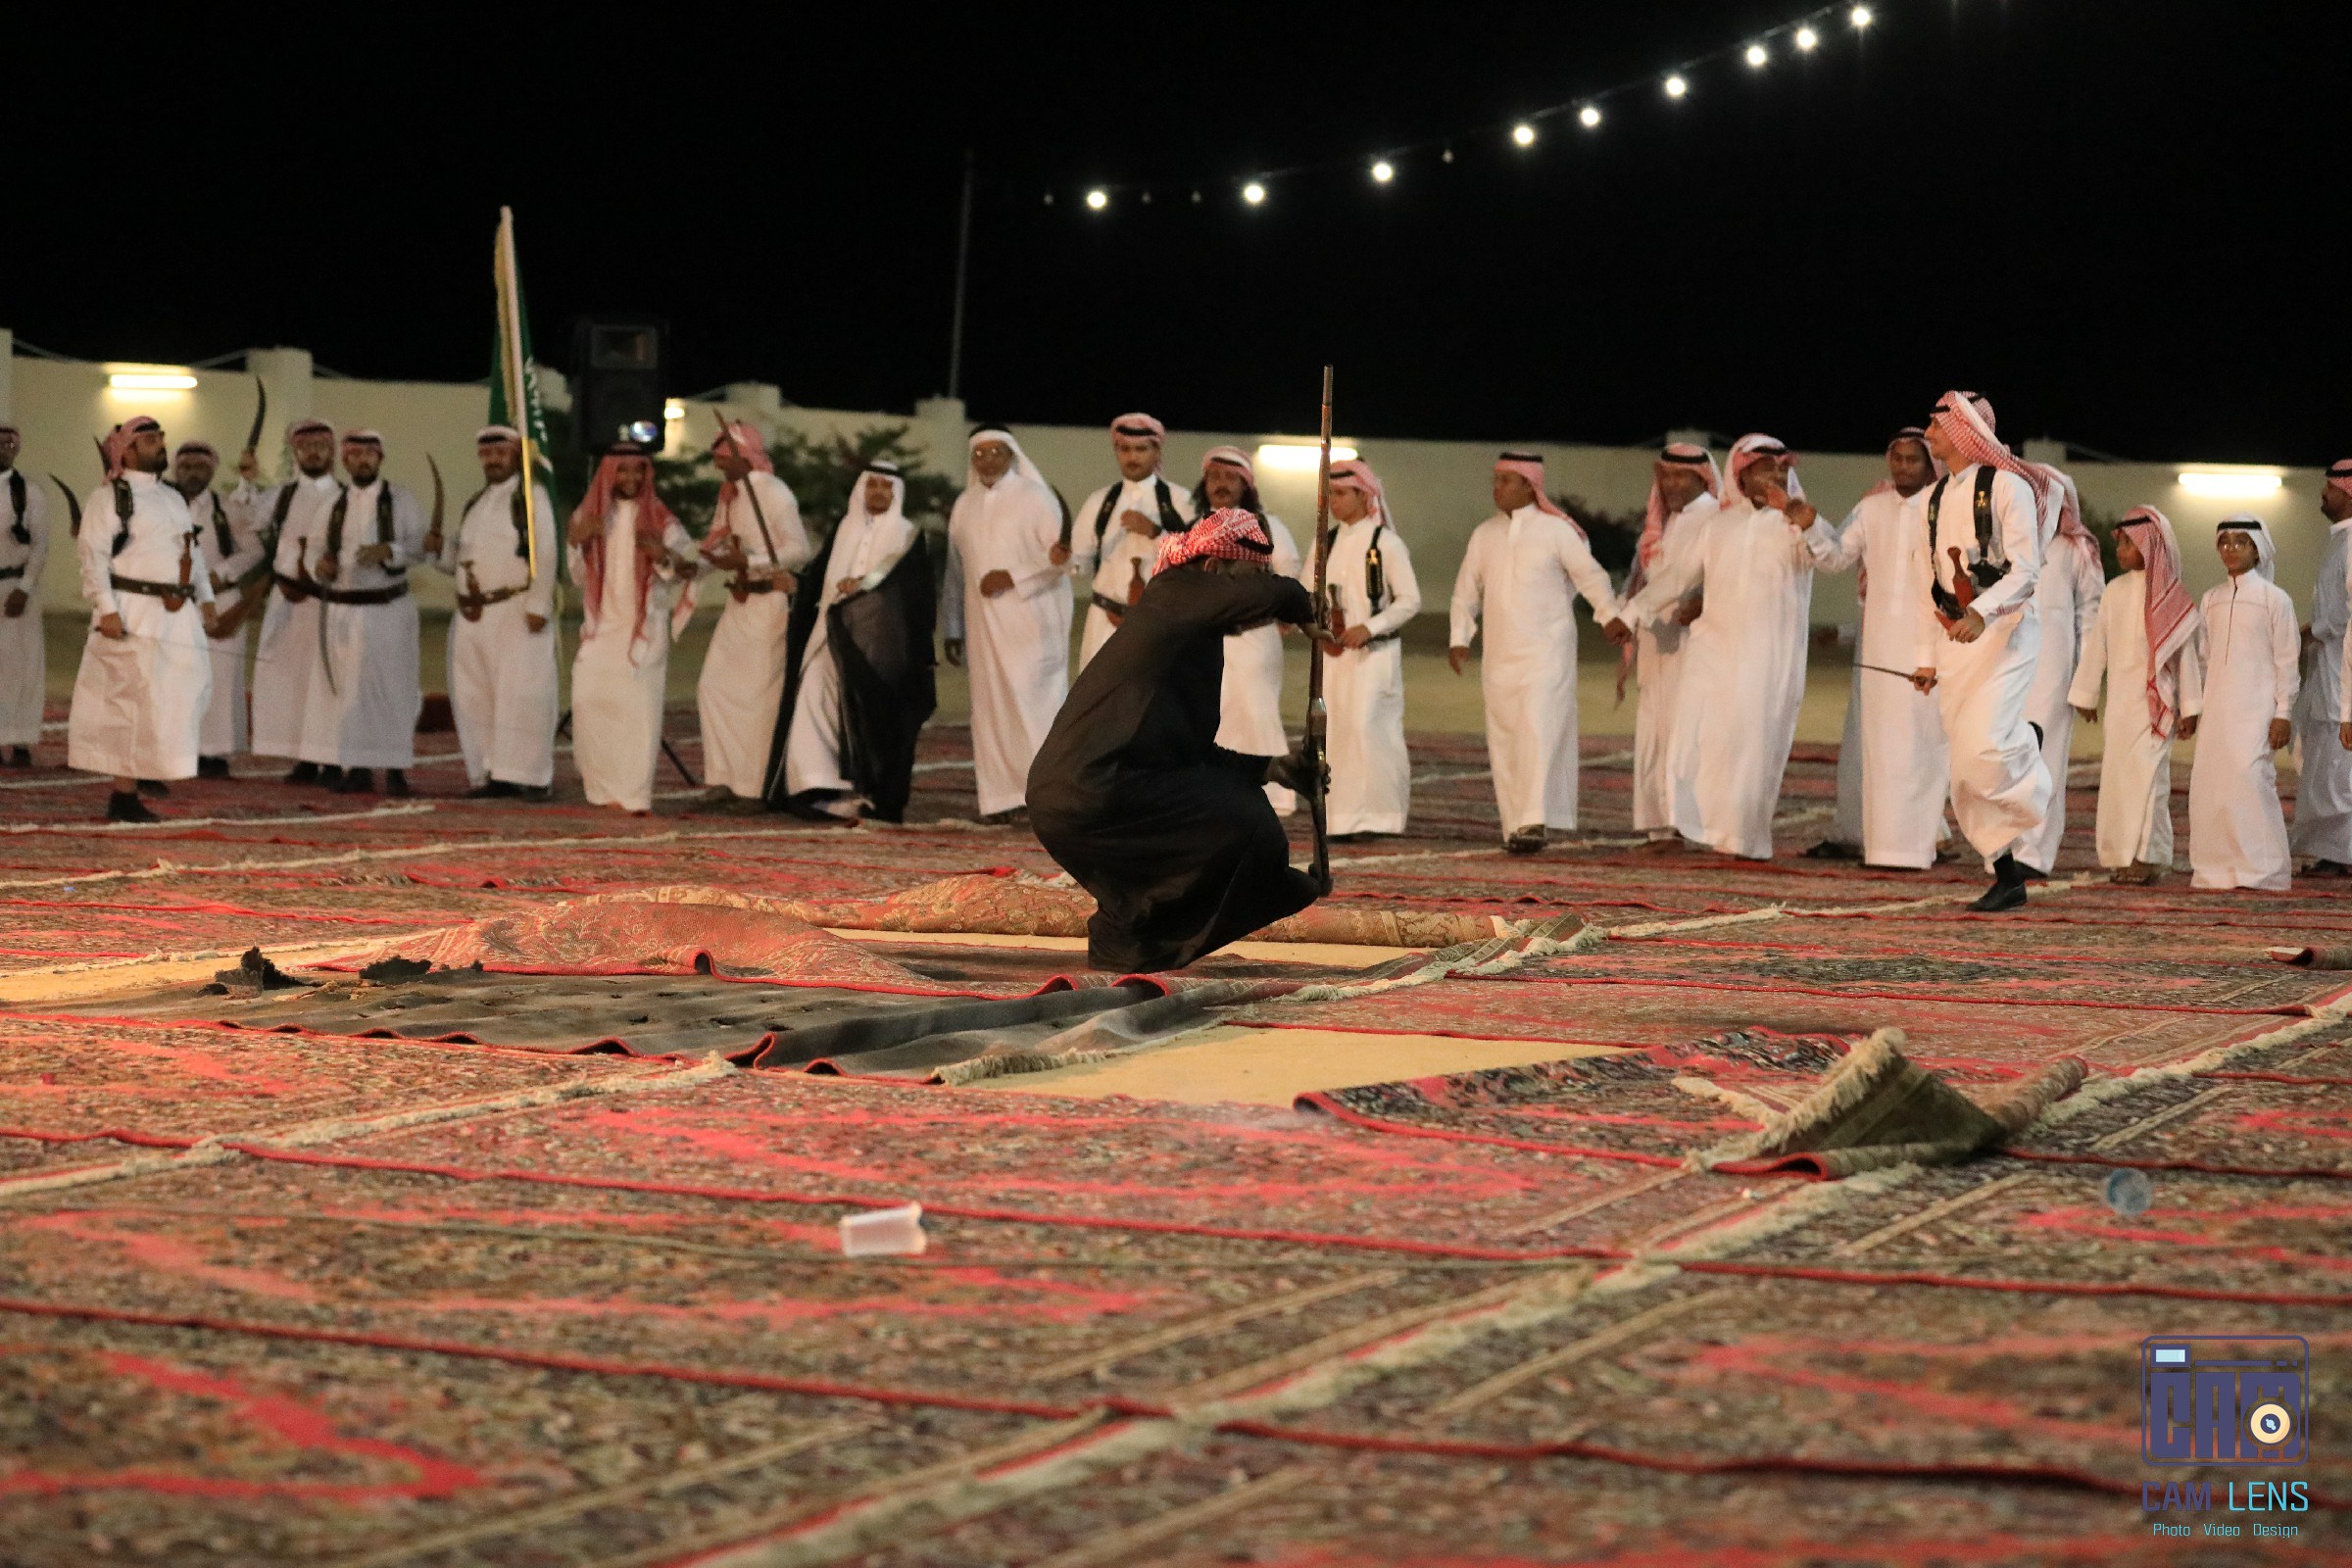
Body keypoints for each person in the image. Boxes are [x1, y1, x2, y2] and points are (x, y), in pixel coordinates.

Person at [1029, 507, 1323, 972]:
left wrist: (1273, 769)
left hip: (1078, 797)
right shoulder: (1174, 592)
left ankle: (1123, 942)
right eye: (1247, 578)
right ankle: (1144, 936)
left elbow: (1187, 755)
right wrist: (1302, 604)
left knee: (1210, 815)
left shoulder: (1187, 630)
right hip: (1096, 792)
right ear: (1213, 569)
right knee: (1246, 819)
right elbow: (1273, 593)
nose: (1250, 606)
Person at [1629, 434, 1827, 860]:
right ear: (1741, 476)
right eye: (1765, 469)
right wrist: (1630, 613)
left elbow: (1831, 558)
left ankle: (1746, 840)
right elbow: (1676, 578)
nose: (1776, 477)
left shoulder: (1796, 524)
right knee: (1699, 739)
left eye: (1782, 470)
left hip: (1768, 657)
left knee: (1753, 747)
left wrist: (1808, 523)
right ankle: (1700, 824)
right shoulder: (1718, 525)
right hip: (1711, 652)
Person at [1909, 392, 2056, 912]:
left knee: (1985, 751)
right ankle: (2006, 875)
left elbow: (2026, 570)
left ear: (1964, 429)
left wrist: (1982, 613)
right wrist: (1927, 657)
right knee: (1965, 771)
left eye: (1937, 424)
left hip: (2006, 633)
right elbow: (1929, 583)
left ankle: (2028, 743)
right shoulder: (1933, 499)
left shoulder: (2007, 487)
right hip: (1956, 640)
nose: (1929, 433)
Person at [1448, 451, 1630, 853]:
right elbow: (1466, 591)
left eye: (1506, 481)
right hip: (1499, 656)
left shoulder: (1556, 531)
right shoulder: (1484, 534)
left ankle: (1534, 820)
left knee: (1538, 729)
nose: (1497, 489)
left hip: (1547, 652)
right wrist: (1460, 637)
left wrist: (1608, 615)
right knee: (1505, 736)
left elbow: (1591, 576)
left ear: (1530, 487)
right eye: (1495, 481)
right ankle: (1515, 825)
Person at [1805, 428, 1952, 869]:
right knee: (1879, 746)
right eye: (1897, 459)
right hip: (1878, 649)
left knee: (1922, 745)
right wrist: (1809, 523)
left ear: (1930, 465)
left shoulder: (1946, 509)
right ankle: (1883, 848)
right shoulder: (1871, 508)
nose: (1903, 467)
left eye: (1913, 459)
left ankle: (1919, 847)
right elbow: (1835, 558)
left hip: (1928, 647)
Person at [66, 417, 218, 821]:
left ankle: (149, 770)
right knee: (129, 703)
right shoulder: (108, 499)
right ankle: (124, 794)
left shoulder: (172, 497)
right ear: (127, 451)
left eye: (161, 438)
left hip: (176, 614)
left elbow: (192, 552)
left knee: (182, 694)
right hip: (130, 612)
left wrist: (206, 598)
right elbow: (92, 557)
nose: (160, 445)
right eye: (149, 440)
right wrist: (106, 609)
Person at [769, 458, 934, 822]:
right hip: (829, 637)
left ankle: (869, 796)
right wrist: (797, 584)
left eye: (886, 486)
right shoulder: (844, 529)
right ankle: (817, 786)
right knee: (812, 695)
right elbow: (818, 578)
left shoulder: (907, 535)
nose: (879, 492)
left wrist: (864, 586)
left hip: (877, 650)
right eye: (872, 484)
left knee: (867, 718)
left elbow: (909, 589)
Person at [942, 424, 1068, 823]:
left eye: (996, 451)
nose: (988, 460)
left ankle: (1043, 798)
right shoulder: (964, 505)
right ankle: (1001, 800)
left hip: (1030, 624)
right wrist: (952, 627)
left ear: (1012, 455)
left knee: (1033, 706)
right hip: (981, 628)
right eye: (980, 453)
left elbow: (1061, 559)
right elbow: (955, 572)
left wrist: (1012, 576)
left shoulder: (1036, 497)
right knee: (990, 710)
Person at [2070, 507, 2199, 885]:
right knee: (2119, 782)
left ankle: (2147, 858)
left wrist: (2191, 707)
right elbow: (2098, 646)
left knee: (2151, 784)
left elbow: (2185, 657)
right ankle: (2122, 857)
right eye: (2121, 543)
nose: (2121, 550)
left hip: (2157, 706)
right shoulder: (2114, 591)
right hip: (2120, 708)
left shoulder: (2171, 597)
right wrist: (2086, 695)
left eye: (2128, 543)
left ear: (2151, 545)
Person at [427, 425, 559, 800]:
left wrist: (539, 603)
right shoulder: (477, 502)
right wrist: (439, 551)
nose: (493, 460)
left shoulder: (530, 498)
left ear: (516, 455)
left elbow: (546, 551)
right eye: (486, 454)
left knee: (522, 694)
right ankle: (490, 772)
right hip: (473, 615)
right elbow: (460, 561)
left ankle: (528, 776)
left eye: (500, 453)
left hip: (515, 612)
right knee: (475, 696)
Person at [566, 442, 698, 814]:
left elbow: (687, 567)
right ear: (609, 473)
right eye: (622, 470)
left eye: (637, 470)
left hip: (645, 628)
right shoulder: (589, 515)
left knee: (637, 711)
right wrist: (577, 542)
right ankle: (601, 789)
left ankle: (634, 795)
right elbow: (577, 576)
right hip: (602, 627)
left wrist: (663, 556)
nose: (630, 477)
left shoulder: (661, 518)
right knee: (588, 700)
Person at [296, 430, 424, 796]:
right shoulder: (332, 503)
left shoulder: (401, 500)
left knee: (394, 688)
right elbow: (314, 549)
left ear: (380, 458)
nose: (363, 460)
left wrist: (390, 552)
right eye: (355, 454)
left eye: (370, 454)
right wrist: (319, 566)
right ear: (345, 460)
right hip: (344, 612)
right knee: (347, 691)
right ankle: (356, 767)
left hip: (389, 611)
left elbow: (421, 548)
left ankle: (396, 768)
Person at [693, 419, 810, 808]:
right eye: (717, 456)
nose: (718, 463)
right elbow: (717, 547)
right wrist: (691, 566)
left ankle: (754, 788)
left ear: (746, 456)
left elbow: (799, 550)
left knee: (758, 698)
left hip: (769, 605)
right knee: (714, 686)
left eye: (725, 456)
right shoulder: (730, 496)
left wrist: (751, 561)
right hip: (739, 603)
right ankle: (721, 779)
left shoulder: (773, 492)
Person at [1191, 447, 1305, 812]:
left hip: (1255, 638)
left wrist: (1284, 611)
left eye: (1230, 478)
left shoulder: (1268, 526)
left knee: (1255, 711)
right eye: (1214, 477)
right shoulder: (1193, 526)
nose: (1221, 485)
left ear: (1246, 486)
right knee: (1211, 714)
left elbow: (1290, 573)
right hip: (1207, 640)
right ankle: (1219, 789)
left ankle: (1274, 796)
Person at [2188, 515, 2298, 891]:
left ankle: (2265, 871)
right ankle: (2216, 869)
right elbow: (2205, 658)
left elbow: (2287, 661)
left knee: (2251, 784)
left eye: (2240, 542)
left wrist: (2283, 713)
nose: (2230, 549)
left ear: (2256, 549)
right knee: (2212, 786)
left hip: (2257, 712)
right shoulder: (2211, 599)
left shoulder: (2275, 599)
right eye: (2224, 542)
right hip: (2218, 711)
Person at [1623, 443, 1721, 848]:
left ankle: (1688, 820)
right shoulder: (1662, 523)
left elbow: (1698, 578)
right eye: (1666, 475)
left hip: (1693, 642)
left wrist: (1703, 601)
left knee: (1688, 732)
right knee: (1654, 729)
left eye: (1681, 476)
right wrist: (1622, 614)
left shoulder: (1716, 518)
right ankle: (1659, 821)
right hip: (1654, 641)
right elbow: (1641, 577)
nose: (1671, 484)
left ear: (1703, 479)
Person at [1320, 458, 1420, 839]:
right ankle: (1342, 819)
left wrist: (1369, 627)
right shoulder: (1325, 542)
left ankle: (1382, 817)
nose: (1334, 501)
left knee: (1370, 729)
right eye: (1330, 494)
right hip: (1334, 657)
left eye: (1341, 493)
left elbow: (1410, 601)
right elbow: (1307, 590)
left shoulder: (1387, 543)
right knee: (1338, 731)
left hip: (1377, 655)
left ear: (1365, 496)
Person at [2021, 466, 2106, 871]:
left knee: (2046, 754)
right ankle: (2003, 852)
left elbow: (2091, 615)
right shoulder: (2010, 542)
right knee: (2007, 755)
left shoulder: (2076, 549)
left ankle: (2034, 854)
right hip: (2007, 664)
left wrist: (2086, 680)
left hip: (2054, 669)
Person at [248, 417, 343, 781]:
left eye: (321, 446)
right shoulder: (279, 496)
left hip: (328, 604)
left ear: (332, 451)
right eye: (305, 447)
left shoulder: (345, 496)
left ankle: (331, 758)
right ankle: (302, 757)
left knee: (328, 680)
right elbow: (252, 528)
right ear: (295, 453)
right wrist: (248, 481)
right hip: (288, 601)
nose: (313, 453)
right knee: (291, 680)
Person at [171, 441, 266, 778]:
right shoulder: (161, 506)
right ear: (175, 470)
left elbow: (254, 551)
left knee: (219, 679)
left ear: (211, 470)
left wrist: (221, 574)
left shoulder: (228, 509)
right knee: (175, 678)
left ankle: (214, 752)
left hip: (220, 602)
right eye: (185, 467)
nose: (192, 473)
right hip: (173, 603)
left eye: (200, 467)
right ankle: (176, 748)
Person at [1070, 413, 1192, 667]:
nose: (1132, 457)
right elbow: (1080, 563)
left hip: (1160, 624)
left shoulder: (1180, 501)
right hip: (1104, 622)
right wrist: (1066, 560)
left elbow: (1197, 560)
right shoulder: (1100, 502)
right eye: (1124, 449)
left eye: (1141, 449)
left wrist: (1155, 532)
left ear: (1156, 452)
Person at [2298, 459, 2352, 874]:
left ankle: (2342, 854)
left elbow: (2342, 613)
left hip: (2343, 666)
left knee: (2340, 767)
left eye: (2330, 487)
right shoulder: (2340, 539)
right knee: (2326, 765)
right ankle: (2334, 852)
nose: (2324, 492)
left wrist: (2310, 631)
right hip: (2328, 665)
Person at [0, 421, 51, 765]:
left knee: (22, 665)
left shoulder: (29, 493)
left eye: (9, 443)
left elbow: (40, 546)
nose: (3, 449)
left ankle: (20, 741)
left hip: (16, 589)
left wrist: (24, 588)